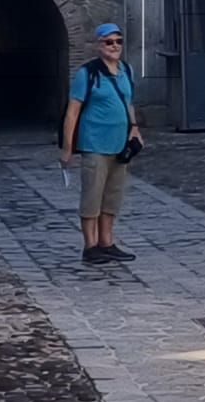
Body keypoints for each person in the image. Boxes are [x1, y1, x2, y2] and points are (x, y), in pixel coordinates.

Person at [60, 22, 143, 266]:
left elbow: (128, 102)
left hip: (120, 145)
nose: (114, 46)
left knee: (113, 196)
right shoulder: (88, 74)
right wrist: (67, 148)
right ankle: (90, 245)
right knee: (92, 196)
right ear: (99, 45)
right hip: (95, 143)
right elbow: (72, 112)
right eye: (109, 42)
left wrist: (134, 127)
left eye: (118, 41)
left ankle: (107, 241)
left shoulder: (126, 71)